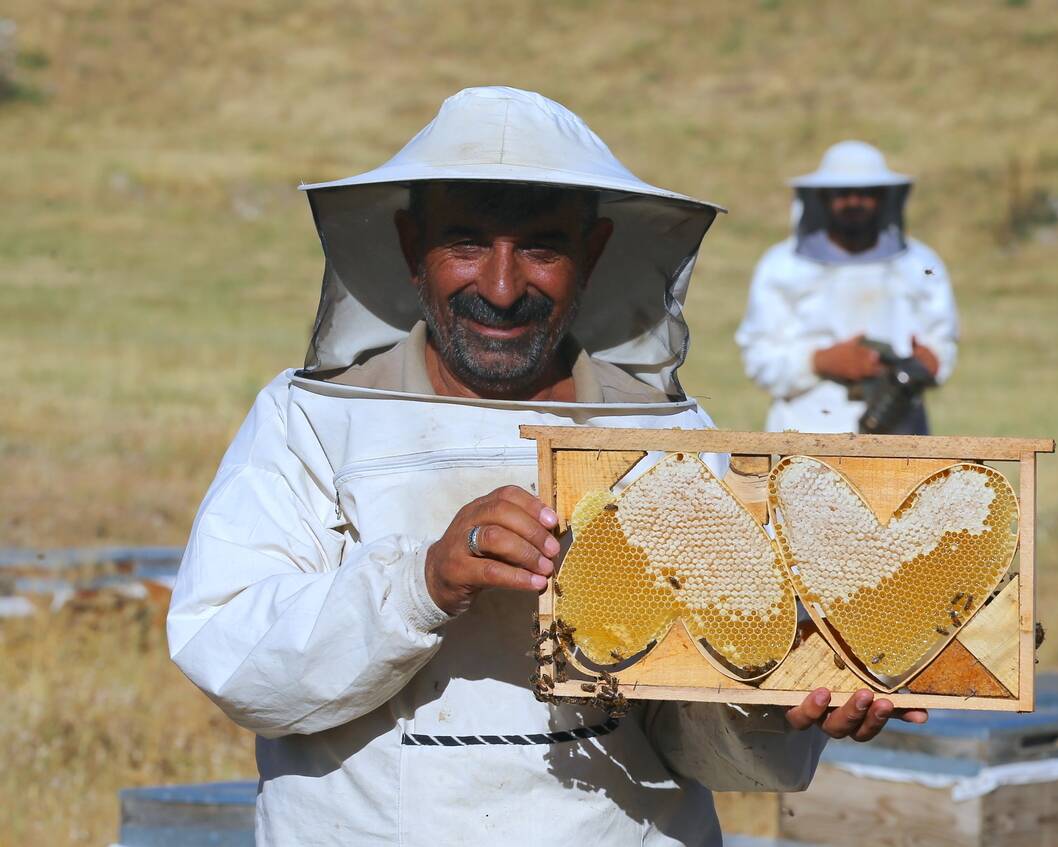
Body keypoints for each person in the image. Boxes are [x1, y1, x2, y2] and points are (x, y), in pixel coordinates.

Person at [167, 88, 924, 846]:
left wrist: (771, 708)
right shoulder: (313, 420)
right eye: (466, 243)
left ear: (591, 255)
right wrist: (422, 581)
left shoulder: (668, 437)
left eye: (541, 248)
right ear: (409, 249)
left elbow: (692, 735)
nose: (501, 288)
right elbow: (231, 653)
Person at [736, 140, 959, 434]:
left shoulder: (919, 263)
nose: (854, 202)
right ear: (823, 198)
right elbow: (759, 356)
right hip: (807, 431)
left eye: (866, 193)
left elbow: (943, 341)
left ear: (884, 197)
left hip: (900, 428)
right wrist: (818, 361)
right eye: (843, 193)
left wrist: (932, 360)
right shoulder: (782, 266)